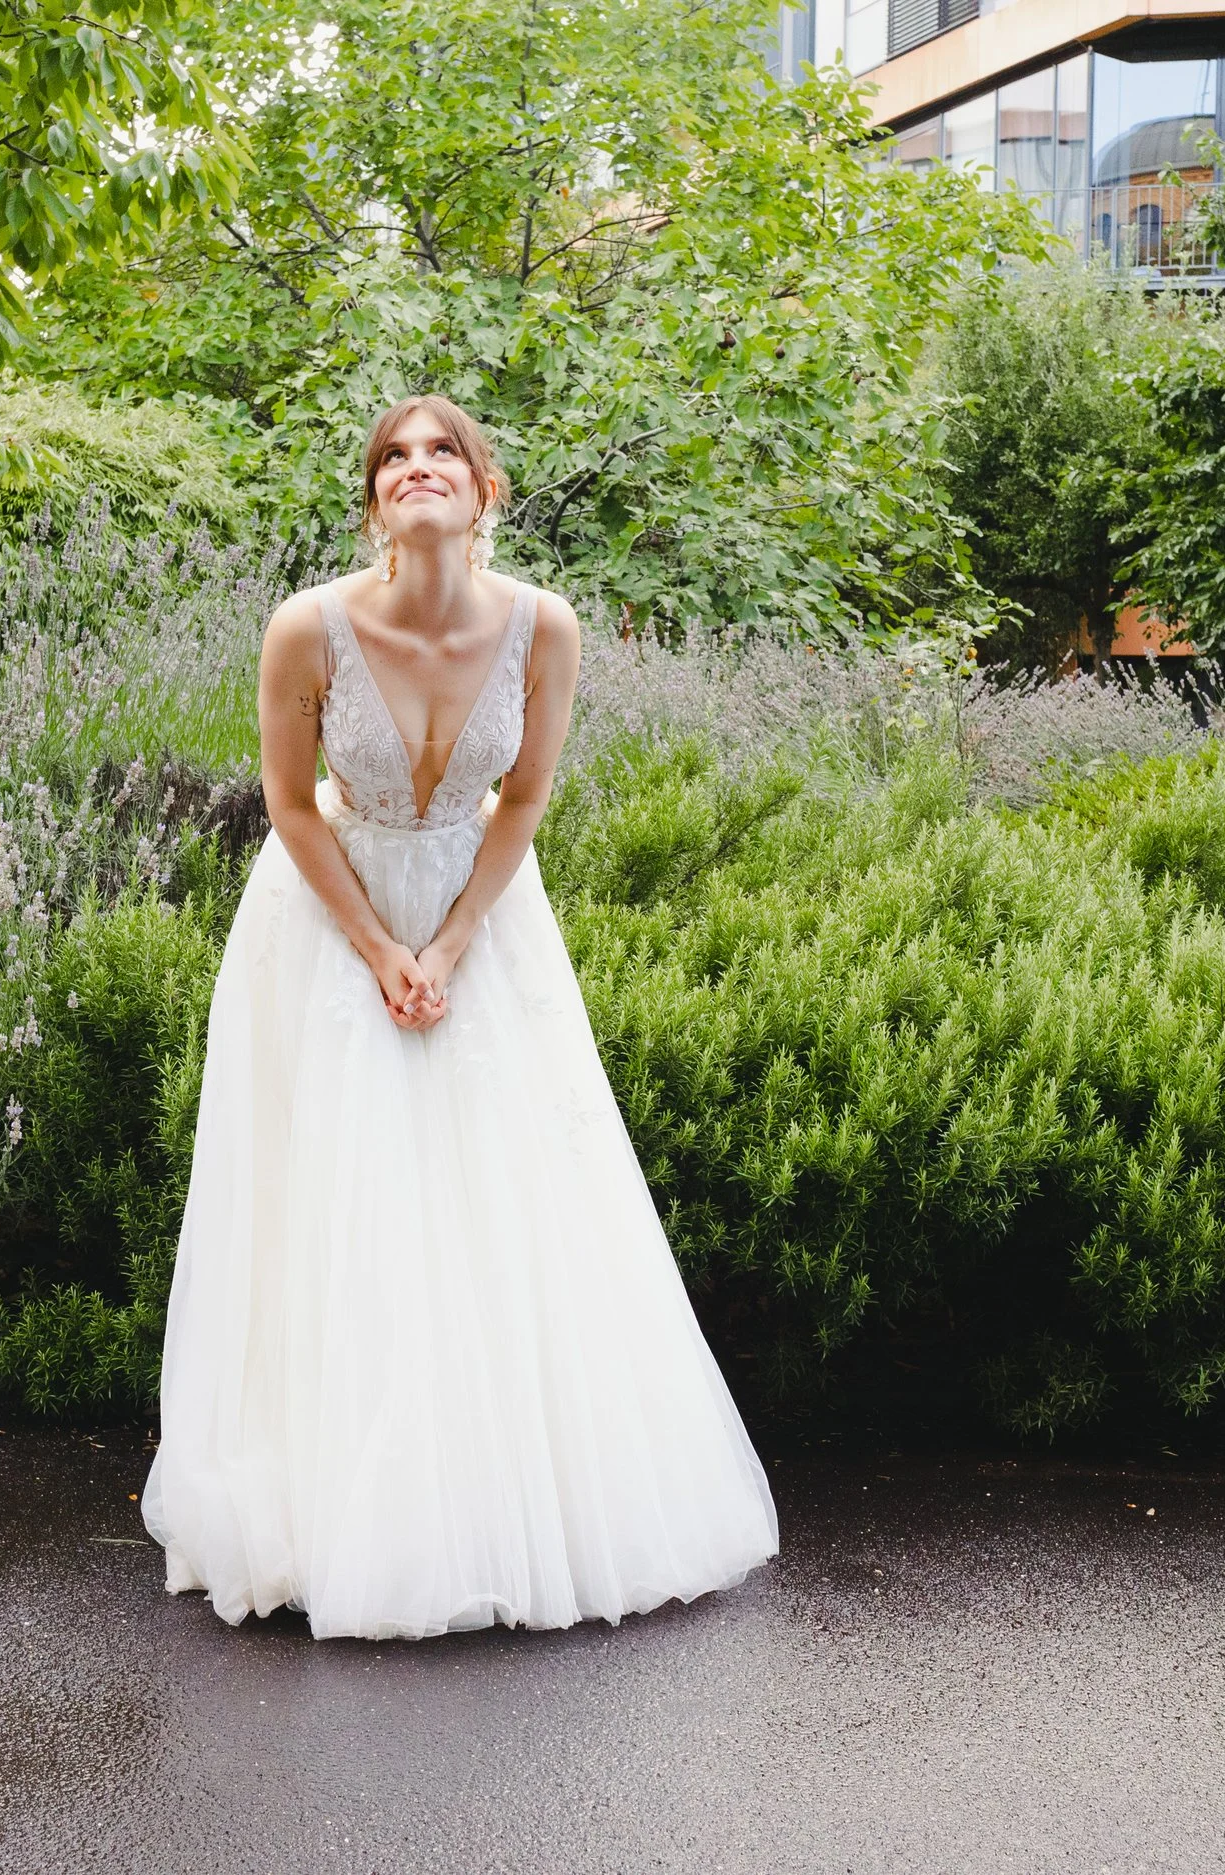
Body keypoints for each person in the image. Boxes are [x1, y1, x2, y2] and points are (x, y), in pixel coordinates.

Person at [140, 394, 780, 1638]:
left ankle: (503, 1506)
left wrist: (457, 938)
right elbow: (288, 805)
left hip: (482, 911)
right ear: (373, 499)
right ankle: (338, 1511)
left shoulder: (545, 627)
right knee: (344, 1200)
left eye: (443, 454)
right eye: (393, 457)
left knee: (511, 1197)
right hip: (330, 919)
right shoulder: (304, 629)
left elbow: (526, 795)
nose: (417, 468)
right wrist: (384, 950)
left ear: (486, 494)